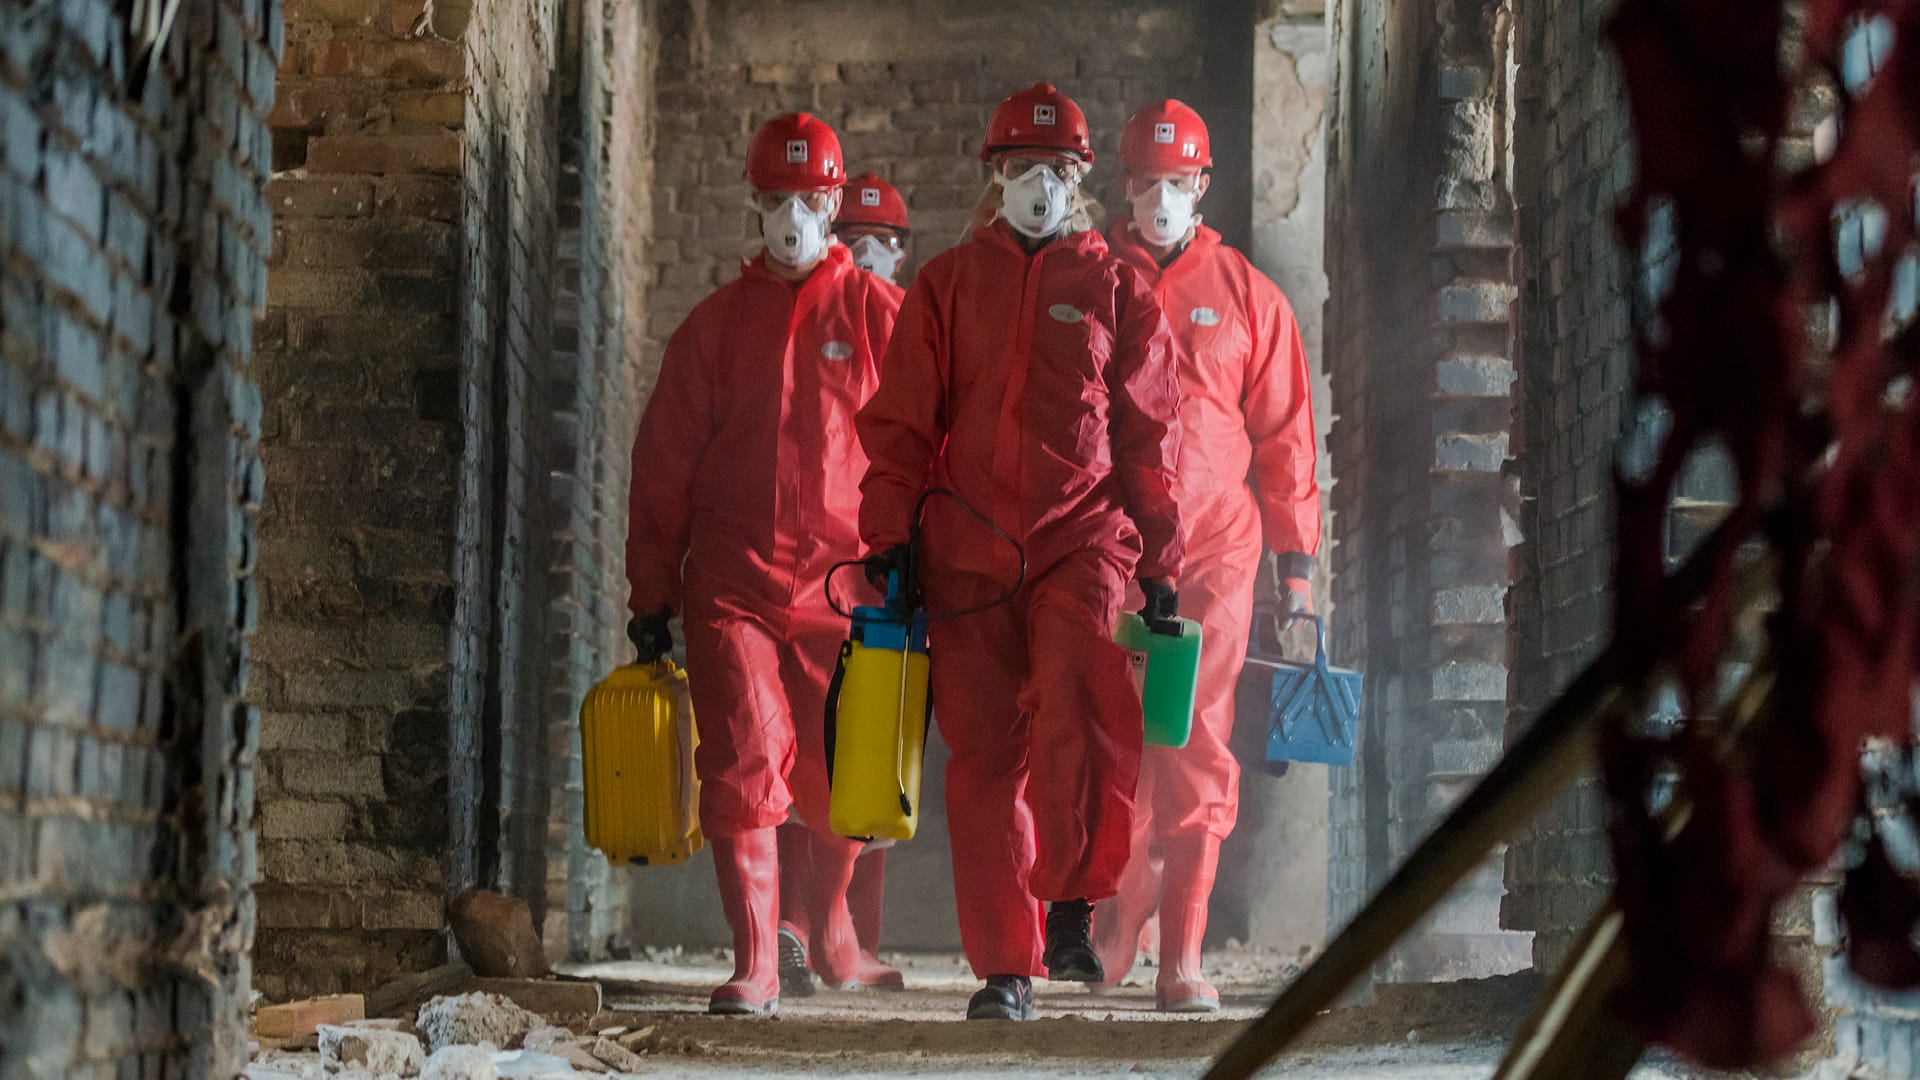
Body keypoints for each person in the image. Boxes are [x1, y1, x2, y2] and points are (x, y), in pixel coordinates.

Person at [855, 83, 1185, 1022]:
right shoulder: (947, 287)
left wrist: (1160, 559)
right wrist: (891, 538)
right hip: (966, 553)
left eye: (1057, 170)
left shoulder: (1120, 291)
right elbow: (902, 427)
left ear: (1083, 181)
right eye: (1020, 169)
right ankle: (1007, 965)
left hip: (1081, 541)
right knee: (986, 758)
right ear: (992, 176)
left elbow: (1148, 436)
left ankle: (1073, 901)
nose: (1039, 185)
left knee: (1083, 700)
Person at [625, 112, 904, 1016]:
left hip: (847, 583)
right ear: (757, 204)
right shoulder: (713, 331)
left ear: (836, 203)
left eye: (812, 200)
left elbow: (921, 441)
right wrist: (650, 591)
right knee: (746, 761)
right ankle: (758, 960)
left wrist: (920, 554)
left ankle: (830, 933)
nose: (795, 218)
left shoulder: (874, 317)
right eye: (778, 201)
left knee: (845, 777)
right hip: (734, 584)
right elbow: (663, 464)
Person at [1091, 99, 1321, 1013]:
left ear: (1203, 184)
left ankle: (1180, 954)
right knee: (1111, 741)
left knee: (1191, 739)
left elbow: (1286, 444)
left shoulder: (1247, 298)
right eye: (1145, 182)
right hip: (1109, 550)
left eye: (1176, 182)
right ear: (1124, 185)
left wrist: (1295, 575)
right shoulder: (1090, 282)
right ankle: (1113, 933)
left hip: (1217, 558)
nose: (1159, 198)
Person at [775, 170, 918, 1001]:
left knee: (869, 759)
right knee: (820, 758)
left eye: (882, 244)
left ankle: (845, 934)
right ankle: (812, 928)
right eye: (853, 240)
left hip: (878, 563)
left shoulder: (891, 324)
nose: (865, 256)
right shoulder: (826, 317)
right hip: (835, 567)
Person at [834, 172, 911, 283]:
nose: (867, 252)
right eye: (853, 239)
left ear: (900, 260)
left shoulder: (912, 301)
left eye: (882, 241)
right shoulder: (810, 299)